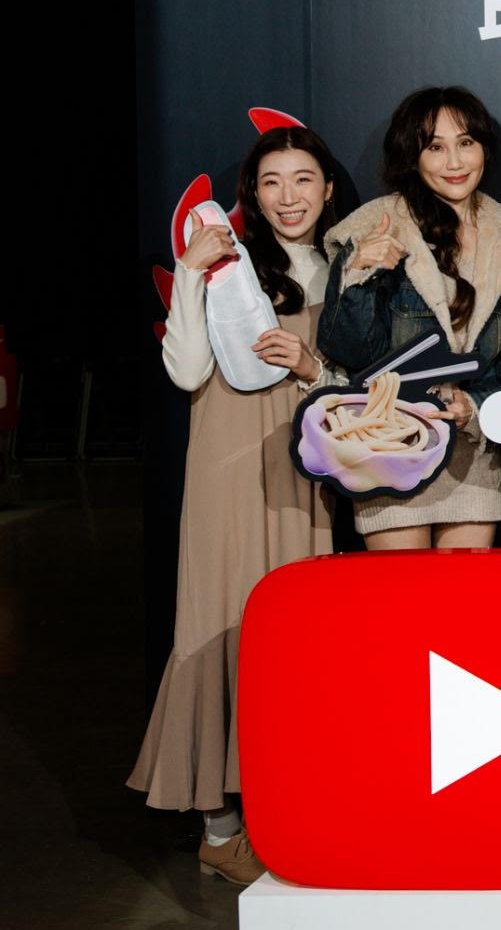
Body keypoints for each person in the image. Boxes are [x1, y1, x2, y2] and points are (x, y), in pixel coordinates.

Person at [130, 125, 345, 884]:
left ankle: (283, 818)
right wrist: (192, 274)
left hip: (305, 472)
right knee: (217, 623)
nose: (289, 197)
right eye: (271, 182)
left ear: (328, 189)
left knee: (293, 642)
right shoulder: (227, 267)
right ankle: (219, 830)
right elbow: (188, 372)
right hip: (226, 468)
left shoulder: (346, 270)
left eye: (304, 179)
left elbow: (359, 390)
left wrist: (312, 364)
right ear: (251, 194)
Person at [318, 87, 501, 547]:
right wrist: (359, 271)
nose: (454, 162)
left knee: (464, 592)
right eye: (435, 147)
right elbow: (349, 352)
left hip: (473, 455)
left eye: (466, 143)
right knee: (400, 592)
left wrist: (475, 407)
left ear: (484, 148)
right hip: (389, 446)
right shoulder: (374, 229)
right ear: (412, 155)